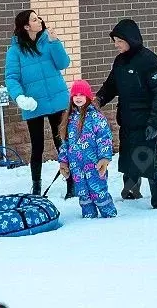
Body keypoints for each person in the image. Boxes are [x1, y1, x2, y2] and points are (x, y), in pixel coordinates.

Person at [94, 18, 157, 208]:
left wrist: (155, 123)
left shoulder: (149, 61)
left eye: (119, 41)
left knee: (149, 160)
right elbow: (111, 85)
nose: (116, 45)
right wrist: (98, 100)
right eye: (115, 42)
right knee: (129, 157)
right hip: (128, 120)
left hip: (146, 122)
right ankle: (131, 191)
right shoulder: (120, 61)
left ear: (131, 39)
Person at [5, 10, 71, 195]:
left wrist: (56, 42)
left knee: (62, 144)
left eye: (38, 18)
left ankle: (71, 183)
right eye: (34, 19)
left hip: (57, 101)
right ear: (26, 27)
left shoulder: (48, 42)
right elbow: (11, 78)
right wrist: (19, 97)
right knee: (37, 147)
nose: (39, 21)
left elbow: (63, 64)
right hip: (33, 104)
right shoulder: (15, 51)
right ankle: (36, 186)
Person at [58, 79, 117, 218]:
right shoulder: (70, 119)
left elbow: (104, 138)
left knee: (98, 191)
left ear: (88, 97)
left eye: (81, 94)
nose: (78, 98)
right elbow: (65, 143)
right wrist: (63, 162)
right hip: (76, 166)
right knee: (83, 193)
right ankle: (88, 218)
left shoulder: (95, 117)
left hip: (94, 164)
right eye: (75, 95)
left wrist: (104, 158)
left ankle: (109, 216)